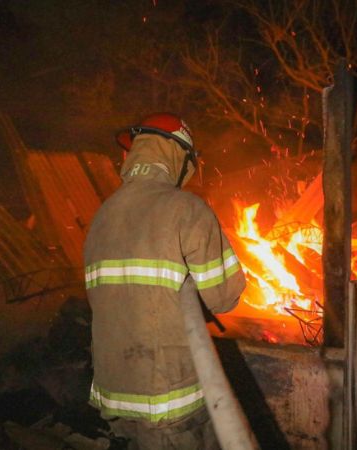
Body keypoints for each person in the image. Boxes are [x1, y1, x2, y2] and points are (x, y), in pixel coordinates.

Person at [83, 112, 246, 449]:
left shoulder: (102, 215)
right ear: (180, 157)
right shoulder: (186, 209)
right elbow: (225, 296)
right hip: (170, 399)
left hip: (116, 392)